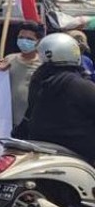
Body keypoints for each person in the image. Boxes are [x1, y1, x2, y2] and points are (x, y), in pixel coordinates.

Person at [14, 33, 95, 161]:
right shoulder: (79, 84)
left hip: (42, 145)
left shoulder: (39, 79)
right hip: (77, 149)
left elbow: (30, 112)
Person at [1, 21, 45, 127]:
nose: (24, 41)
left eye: (29, 39)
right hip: (8, 120)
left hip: (33, 122)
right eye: (21, 37)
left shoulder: (44, 64)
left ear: (38, 42)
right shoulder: (8, 60)